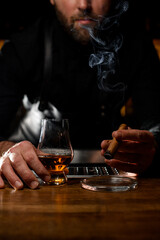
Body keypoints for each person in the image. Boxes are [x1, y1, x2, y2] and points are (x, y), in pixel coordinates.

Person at [0, 0, 160, 190]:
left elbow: (156, 124)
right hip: (37, 185)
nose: (84, 5)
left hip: (110, 185)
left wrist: (152, 149)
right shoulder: (22, 47)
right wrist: (4, 150)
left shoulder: (136, 46)